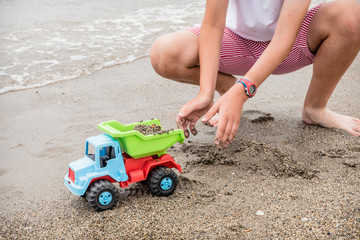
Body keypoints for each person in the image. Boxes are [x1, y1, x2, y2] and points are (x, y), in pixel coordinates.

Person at [150, 0, 360, 148]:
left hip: (291, 46)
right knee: (164, 52)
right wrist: (206, 92)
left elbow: (284, 38)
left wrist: (243, 91)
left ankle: (315, 108)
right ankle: (226, 87)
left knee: (354, 13)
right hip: (234, 45)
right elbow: (213, 25)